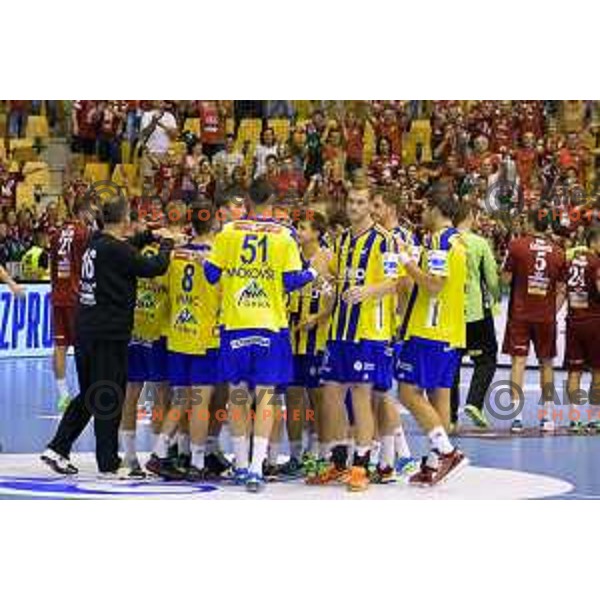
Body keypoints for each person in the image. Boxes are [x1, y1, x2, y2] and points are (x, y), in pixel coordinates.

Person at [203, 181, 330, 492]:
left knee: (236, 395)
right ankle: (257, 468)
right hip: (270, 325)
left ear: (246, 201)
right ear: (272, 202)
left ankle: (241, 463)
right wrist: (314, 271)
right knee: (266, 396)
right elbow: (290, 282)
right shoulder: (284, 236)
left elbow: (210, 274)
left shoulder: (229, 231)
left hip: (235, 323)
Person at [40, 193, 177, 477]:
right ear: (125, 219)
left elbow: (126, 248)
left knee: (92, 393)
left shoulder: (97, 242)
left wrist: (150, 234)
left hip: (87, 328)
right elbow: (154, 267)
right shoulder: (116, 250)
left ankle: (58, 447)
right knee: (108, 394)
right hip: (108, 331)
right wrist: (167, 244)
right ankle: (108, 462)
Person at [317, 188, 399, 492]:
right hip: (339, 329)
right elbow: (339, 276)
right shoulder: (341, 241)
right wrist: (326, 277)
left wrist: (368, 291)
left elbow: (397, 282)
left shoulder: (384, 240)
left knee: (362, 395)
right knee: (331, 394)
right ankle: (338, 462)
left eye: (360, 202)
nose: (354, 206)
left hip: (368, 331)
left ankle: (361, 466)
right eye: (350, 201)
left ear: (369, 207)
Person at [395, 189, 469, 486]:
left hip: (430, 331)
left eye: (425, 207)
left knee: (407, 392)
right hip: (449, 332)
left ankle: (448, 452)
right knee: (439, 394)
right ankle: (434, 461)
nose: (421, 213)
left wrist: (407, 263)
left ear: (437, 209)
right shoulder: (457, 242)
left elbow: (435, 285)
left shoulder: (440, 240)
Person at [146, 202, 223, 481]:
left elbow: (160, 284)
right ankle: (198, 461)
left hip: (178, 335)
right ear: (214, 222)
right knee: (201, 401)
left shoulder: (177, 253)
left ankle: (159, 452)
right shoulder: (218, 255)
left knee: (180, 399)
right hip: (205, 336)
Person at [502, 207, 566, 433]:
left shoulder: (517, 245)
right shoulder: (558, 252)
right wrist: (552, 311)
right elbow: (561, 289)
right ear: (547, 226)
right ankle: (547, 417)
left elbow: (506, 279)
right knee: (546, 363)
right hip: (545, 316)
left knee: (518, 362)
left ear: (530, 223)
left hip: (520, 313)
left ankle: (516, 417)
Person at [286, 211, 334, 478]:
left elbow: (335, 297)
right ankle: (294, 454)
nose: (298, 232)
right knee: (293, 397)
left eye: (303, 228)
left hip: (318, 338)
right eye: (298, 227)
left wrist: (317, 318)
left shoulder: (328, 259)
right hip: (292, 339)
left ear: (316, 232)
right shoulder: (291, 255)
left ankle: (319, 451)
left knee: (318, 398)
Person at [450, 202, 500, 430]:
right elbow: (491, 278)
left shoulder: (444, 240)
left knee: (452, 363)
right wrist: (496, 297)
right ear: (470, 216)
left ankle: (449, 416)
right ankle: (474, 402)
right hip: (476, 311)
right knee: (487, 358)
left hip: (449, 313)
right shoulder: (479, 243)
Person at [48, 197, 91, 412]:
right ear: (83, 213)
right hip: (77, 297)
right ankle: (87, 394)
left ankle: (64, 397)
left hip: (58, 296)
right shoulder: (84, 233)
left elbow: (52, 265)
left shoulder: (56, 234)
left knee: (60, 347)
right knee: (85, 347)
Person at [563, 228, 600, 432]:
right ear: (595, 241)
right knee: (598, 371)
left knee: (574, 372)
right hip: (594, 322)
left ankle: (575, 419)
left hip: (573, 321)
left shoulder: (572, 261)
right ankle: (595, 419)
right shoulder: (597, 262)